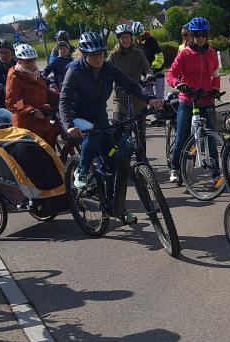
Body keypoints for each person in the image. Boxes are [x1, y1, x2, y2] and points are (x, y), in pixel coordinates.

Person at [59, 31, 162, 223]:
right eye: (94, 55)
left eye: (101, 54)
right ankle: (81, 170)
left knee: (117, 161)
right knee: (94, 136)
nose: (98, 58)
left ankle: (118, 208)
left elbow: (130, 84)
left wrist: (150, 98)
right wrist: (69, 125)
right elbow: (63, 100)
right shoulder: (74, 70)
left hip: (99, 115)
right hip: (77, 116)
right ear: (84, 55)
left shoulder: (107, 67)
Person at [165, 17, 221, 184]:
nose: (200, 38)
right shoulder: (185, 54)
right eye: (197, 35)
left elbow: (216, 74)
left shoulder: (211, 53)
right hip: (188, 99)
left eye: (203, 34)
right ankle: (175, 167)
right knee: (182, 136)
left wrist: (215, 89)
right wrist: (178, 84)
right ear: (191, 35)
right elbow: (171, 74)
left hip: (206, 99)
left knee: (212, 138)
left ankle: (216, 173)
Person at [5, 44, 59, 147]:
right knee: (33, 157)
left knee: (49, 151)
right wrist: (31, 110)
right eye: (27, 61)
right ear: (19, 61)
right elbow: (12, 102)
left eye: (33, 60)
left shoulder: (35, 73)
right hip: (26, 125)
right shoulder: (15, 77)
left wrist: (62, 98)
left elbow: (46, 92)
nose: (31, 64)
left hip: (42, 120)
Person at [109, 23, 153, 121]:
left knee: (141, 128)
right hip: (120, 95)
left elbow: (146, 67)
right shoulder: (114, 55)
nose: (125, 40)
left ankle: (140, 135)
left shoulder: (138, 53)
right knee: (118, 125)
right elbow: (106, 69)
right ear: (119, 39)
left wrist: (149, 75)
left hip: (137, 92)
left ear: (131, 38)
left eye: (128, 37)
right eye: (123, 38)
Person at [136, 23, 166, 126]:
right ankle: (148, 114)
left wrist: (153, 68)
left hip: (157, 72)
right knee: (148, 95)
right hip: (147, 74)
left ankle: (161, 119)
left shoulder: (151, 40)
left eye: (139, 35)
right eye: (136, 36)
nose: (138, 38)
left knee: (158, 94)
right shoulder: (136, 44)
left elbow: (159, 56)